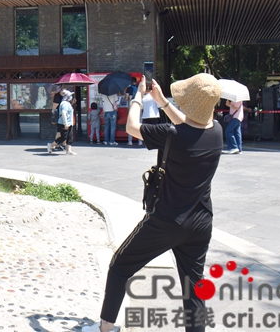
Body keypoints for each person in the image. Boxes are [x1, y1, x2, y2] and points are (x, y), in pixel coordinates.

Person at [82, 73, 223, 332]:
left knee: (119, 267)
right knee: (193, 288)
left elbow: (132, 127)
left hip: (167, 220)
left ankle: (105, 328)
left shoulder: (171, 133)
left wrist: (138, 96)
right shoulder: (216, 132)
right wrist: (161, 102)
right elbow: (190, 127)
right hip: (201, 222)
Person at [47, 89, 77, 155]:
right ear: (66, 96)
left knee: (70, 137)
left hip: (69, 123)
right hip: (64, 123)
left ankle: (68, 150)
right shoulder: (64, 103)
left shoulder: (67, 103)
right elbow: (64, 113)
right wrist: (66, 123)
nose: (71, 97)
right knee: (63, 137)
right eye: (70, 95)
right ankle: (51, 145)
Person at [125, 77, 138, 145]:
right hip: (138, 107)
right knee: (139, 124)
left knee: (130, 123)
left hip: (131, 108)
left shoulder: (129, 88)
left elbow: (126, 98)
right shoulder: (138, 88)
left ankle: (130, 141)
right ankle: (140, 141)